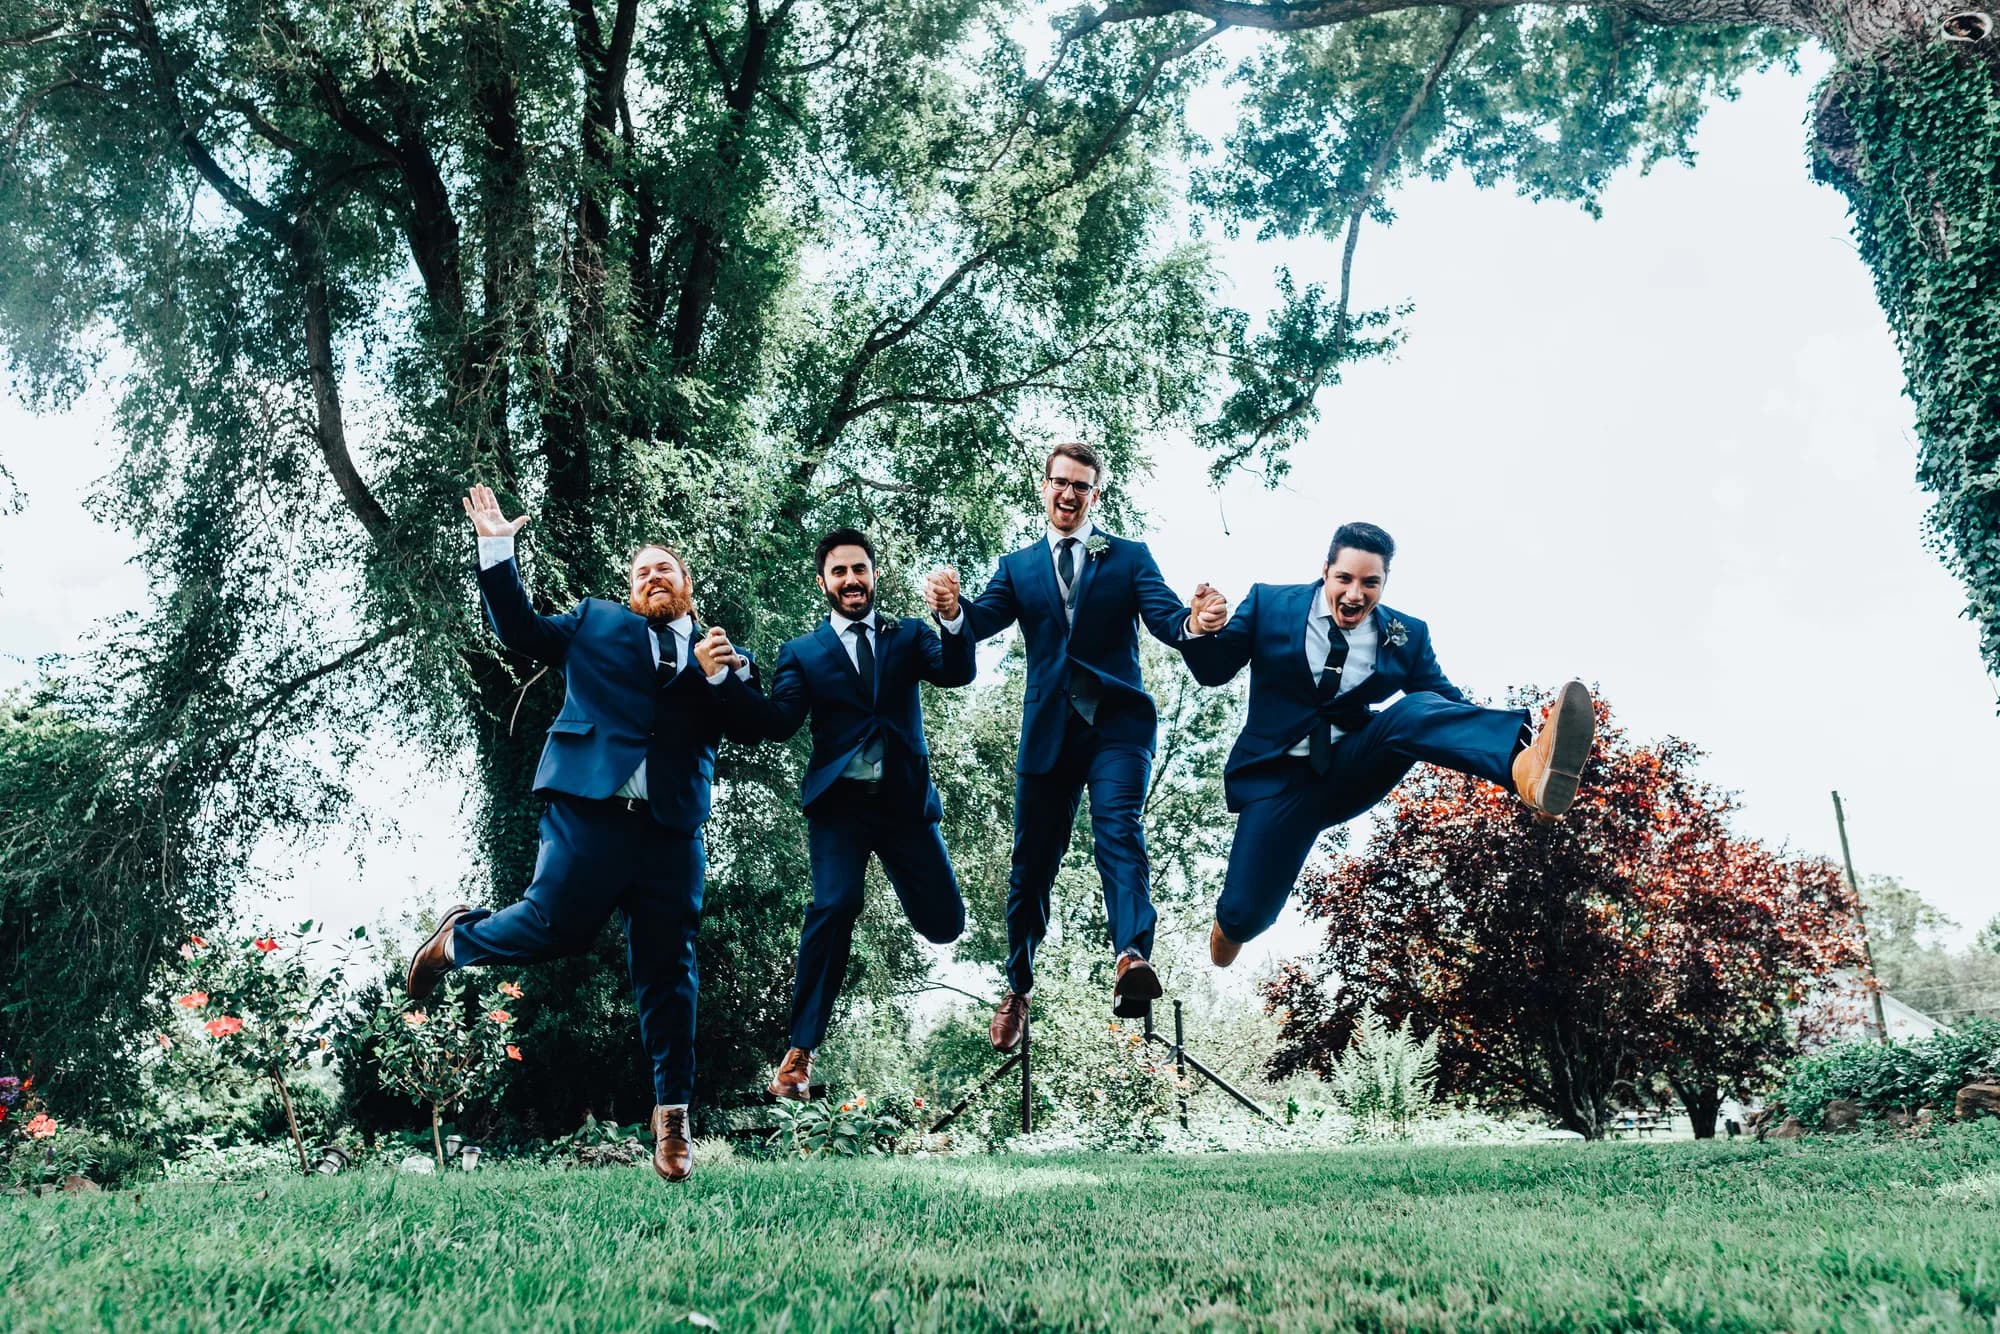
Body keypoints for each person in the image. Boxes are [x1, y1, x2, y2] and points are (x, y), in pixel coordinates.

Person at [403, 484, 758, 1183]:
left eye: (666, 569)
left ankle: (673, 1117)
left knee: (669, 972)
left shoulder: (719, 651)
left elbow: (753, 722)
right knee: (552, 929)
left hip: (672, 833)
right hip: (588, 815)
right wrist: (496, 547)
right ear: (631, 591)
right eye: (642, 572)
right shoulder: (595, 623)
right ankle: (455, 940)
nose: (653, 577)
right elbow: (520, 631)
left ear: (689, 587)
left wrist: (728, 677)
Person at [924, 442, 1227, 1049]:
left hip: (1117, 726)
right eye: (1059, 481)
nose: (1069, 493)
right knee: (1031, 866)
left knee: (1118, 829)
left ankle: (1131, 958)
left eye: (1081, 485)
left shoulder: (1129, 557)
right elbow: (978, 624)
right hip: (1048, 734)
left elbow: (1169, 619)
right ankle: (1017, 985)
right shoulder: (1018, 567)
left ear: (1096, 495)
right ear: (1044, 487)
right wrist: (954, 612)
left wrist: (1197, 622)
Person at [1182, 521, 1595, 966]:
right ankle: (1233, 926)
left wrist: (1508, 755)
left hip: (1350, 768)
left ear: (1384, 584)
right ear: (1326, 571)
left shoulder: (1408, 635)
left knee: (1417, 709)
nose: (1355, 594)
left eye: (1369, 583)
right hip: (1276, 783)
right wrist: (1200, 628)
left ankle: (1527, 769)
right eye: (1345, 579)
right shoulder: (1270, 603)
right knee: (1247, 914)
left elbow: (1447, 708)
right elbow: (1213, 672)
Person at [722, 529, 977, 1100]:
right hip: (840, 810)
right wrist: (738, 675)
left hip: (905, 806)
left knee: (946, 925)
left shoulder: (908, 635)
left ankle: (936, 910)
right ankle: (799, 1051)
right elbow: (775, 723)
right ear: (824, 583)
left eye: (859, 569)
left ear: (874, 575)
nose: (851, 580)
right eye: (839, 572)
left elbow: (958, 672)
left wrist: (954, 617)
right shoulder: (803, 653)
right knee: (834, 904)